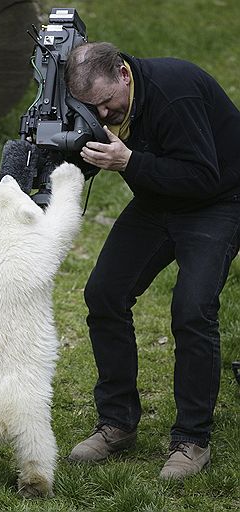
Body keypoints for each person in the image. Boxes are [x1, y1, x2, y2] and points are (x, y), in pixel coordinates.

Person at [63, 42, 240, 479]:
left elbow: (204, 175)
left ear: (124, 74)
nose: (102, 115)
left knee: (193, 308)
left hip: (218, 199)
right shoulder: (104, 101)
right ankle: (117, 423)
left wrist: (130, 162)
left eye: (107, 104)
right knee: (104, 293)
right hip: (157, 200)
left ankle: (192, 441)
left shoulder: (174, 92)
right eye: (92, 109)